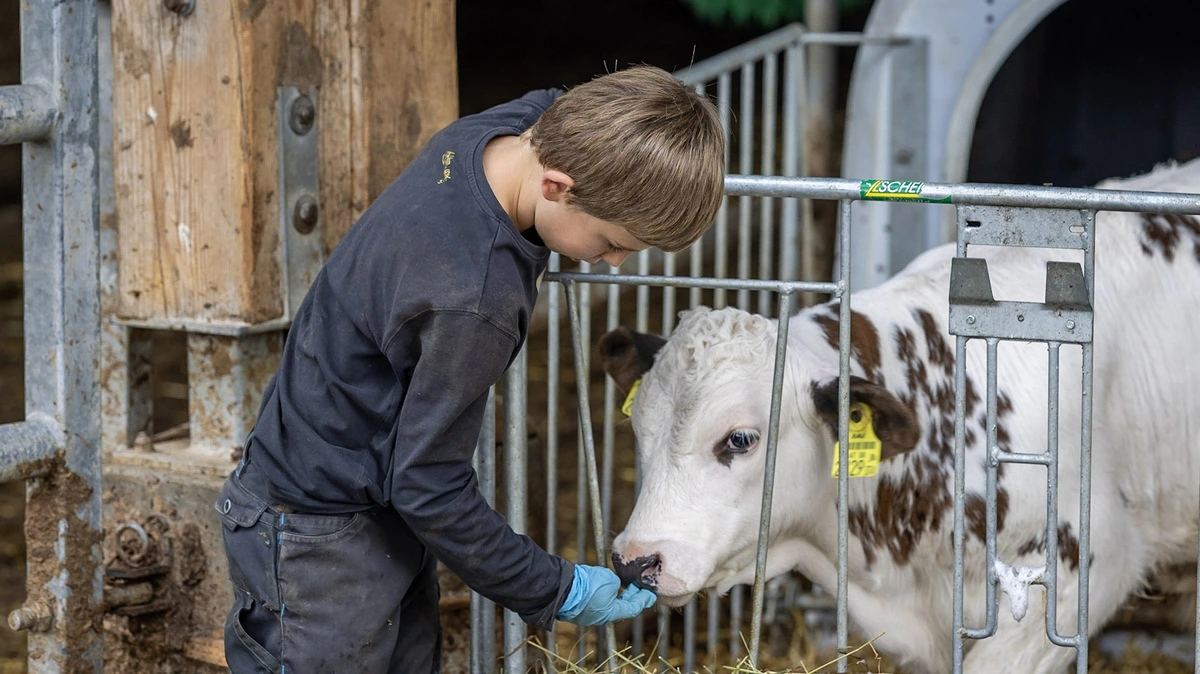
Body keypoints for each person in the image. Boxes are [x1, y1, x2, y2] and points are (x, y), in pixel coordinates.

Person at [215, 64, 724, 673]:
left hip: (371, 505)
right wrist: (554, 587)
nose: (612, 263)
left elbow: (563, 102)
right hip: (314, 536)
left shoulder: (505, 133)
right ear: (557, 187)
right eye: (612, 241)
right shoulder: (474, 300)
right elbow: (427, 484)